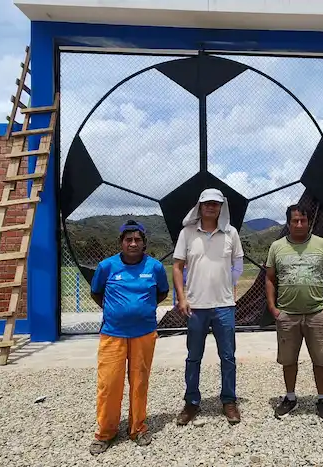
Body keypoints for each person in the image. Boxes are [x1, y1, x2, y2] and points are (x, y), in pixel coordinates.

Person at [88, 220, 170, 455]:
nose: (133, 243)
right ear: (121, 243)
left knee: (139, 382)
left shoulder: (154, 267)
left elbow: (161, 292)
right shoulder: (106, 266)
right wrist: (117, 312)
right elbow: (96, 293)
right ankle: (106, 432)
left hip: (144, 333)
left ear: (144, 243)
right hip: (113, 334)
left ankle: (138, 428)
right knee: (109, 384)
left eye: (138, 240)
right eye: (128, 239)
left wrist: (140, 309)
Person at [172, 188, 245, 425]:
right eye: (207, 204)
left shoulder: (231, 233)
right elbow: (177, 266)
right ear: (200, 206)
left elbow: (238, 263)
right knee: (193, 357)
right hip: (196, 306)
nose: (211, 207)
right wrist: (182, 298)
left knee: (228, 356)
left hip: (224, 306)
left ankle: (229, 401)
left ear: (221, 207)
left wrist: (228, 285)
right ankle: (191, 402)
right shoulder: (187, 233)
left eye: (216, 203)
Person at [264, 204, 323, 422]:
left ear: (308, 222)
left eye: (302, 220)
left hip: (317, 313)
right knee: (288, 360)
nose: (299, 224)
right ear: (288, 223)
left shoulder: (321, 245)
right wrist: (273, 308)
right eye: (294, 220)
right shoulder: (277, 247)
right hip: (287, 314)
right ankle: (290, 397)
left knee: (321, 359)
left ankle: (322, 399)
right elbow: (269, 278)